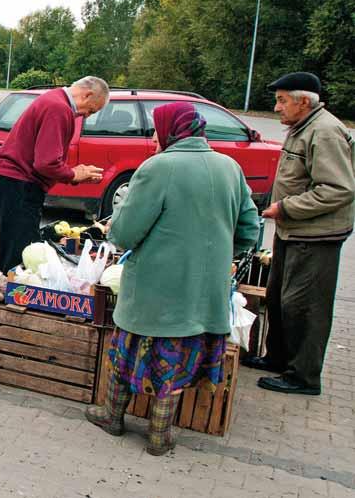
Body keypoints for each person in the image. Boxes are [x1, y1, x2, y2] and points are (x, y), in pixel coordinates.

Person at [85, 101, 260, 455]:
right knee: (177, 360)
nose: (152, 137)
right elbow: (250, 229)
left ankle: (112, 417)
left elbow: (124, 231)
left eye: (155, 129)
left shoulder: (159, 167)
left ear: (171, 130)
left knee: (127, 352)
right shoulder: (230, 167)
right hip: (205, 289)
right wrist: (218, 255)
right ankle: (160, 435)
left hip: (156, 288)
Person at [243, 72, 355, 395]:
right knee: (279, 297)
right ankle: (278, 359)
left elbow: (338, 190)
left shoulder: (326, 131)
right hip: (293, 232)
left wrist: (286, 208)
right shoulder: (302, 128)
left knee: (305, 306)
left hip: (316, 236)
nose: (276, 108)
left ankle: (303, 376)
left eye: (282, 100)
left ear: (303, 101)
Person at [0, 76, 108, 274]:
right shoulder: (58, 108)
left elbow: (46, 156)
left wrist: (73, 171)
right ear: (87, 94)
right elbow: (46, 163)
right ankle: (12, 296)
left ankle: (7, 289)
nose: (87, 116)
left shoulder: (55, 100)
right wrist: (74, 175)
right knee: (21, 253)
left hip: (14, 182)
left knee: (16, 246)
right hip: (19, 184)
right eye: (92, 110)